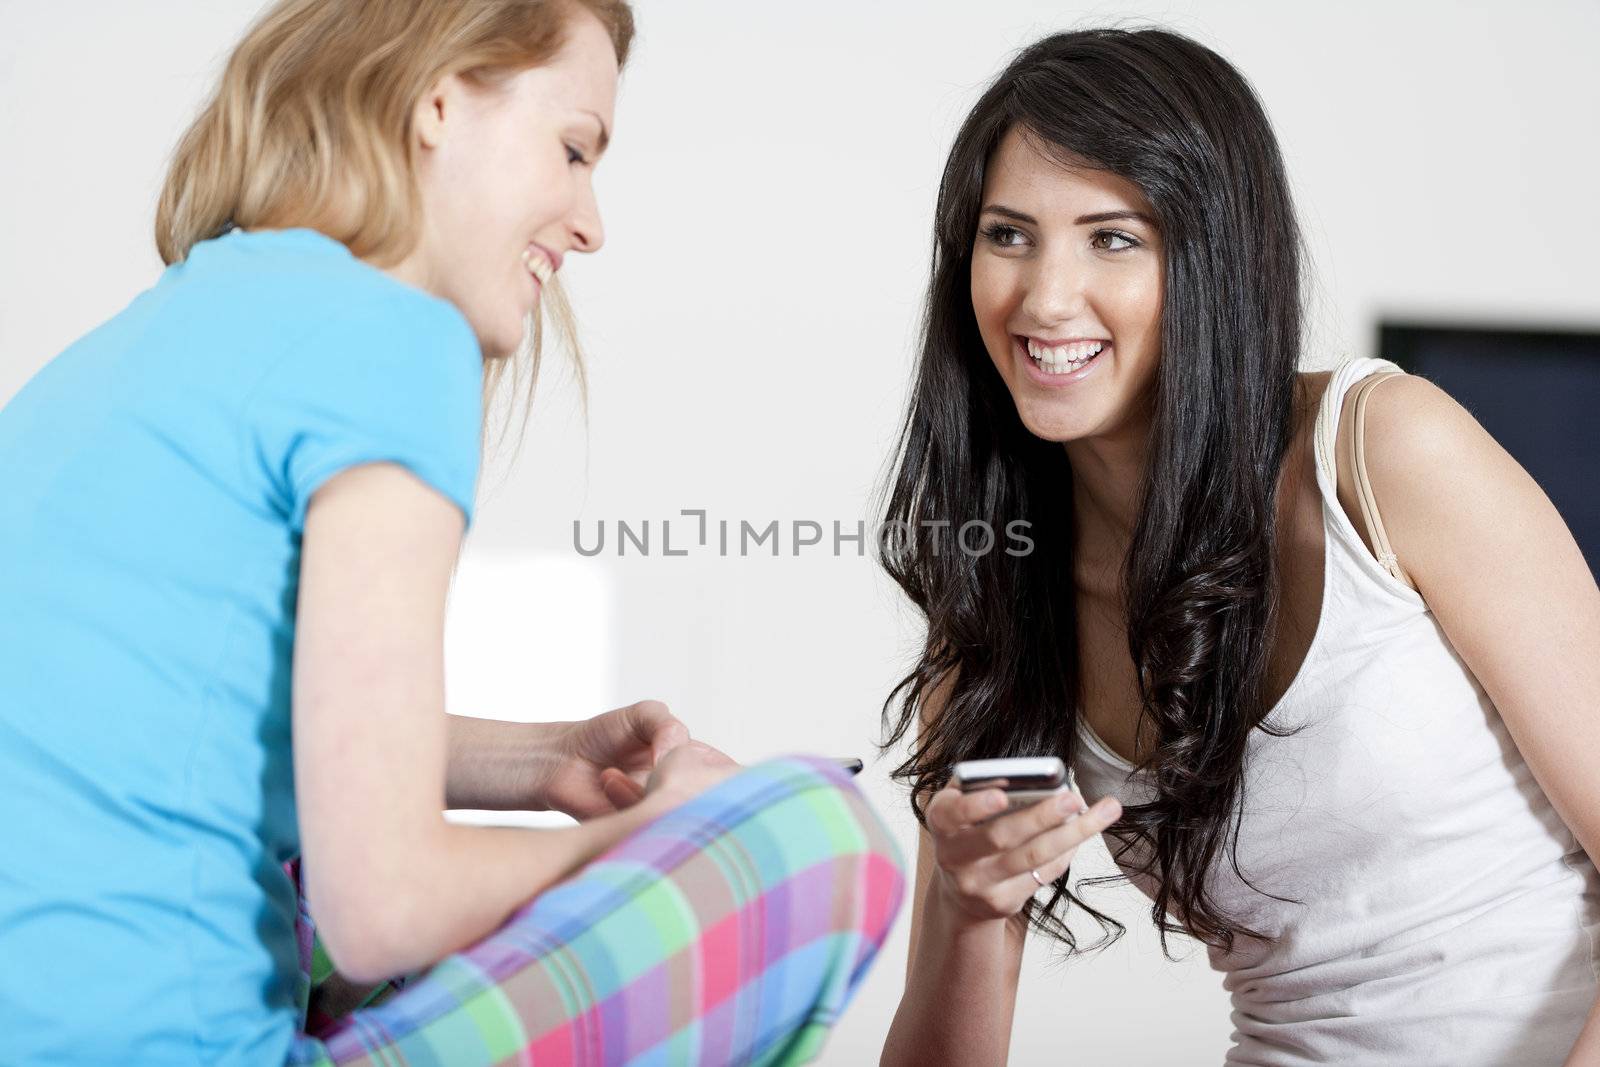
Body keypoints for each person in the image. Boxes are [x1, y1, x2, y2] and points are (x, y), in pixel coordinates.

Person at [0, 2, 904, 1063]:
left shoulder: (142, 341)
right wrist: (658, 836)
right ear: (437, 99)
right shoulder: (390, 332)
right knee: (813, 831)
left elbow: (208, 721)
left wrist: (543, 759)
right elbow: (381, 901)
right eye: (572, 149)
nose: (589, 222)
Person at [876, 27, 1600, 1067]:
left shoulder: (1381, 451)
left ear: (1211, 255)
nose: (1042, 297)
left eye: (1113, 237)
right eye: (1008, 234)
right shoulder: (999, 601)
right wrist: (967, 899)